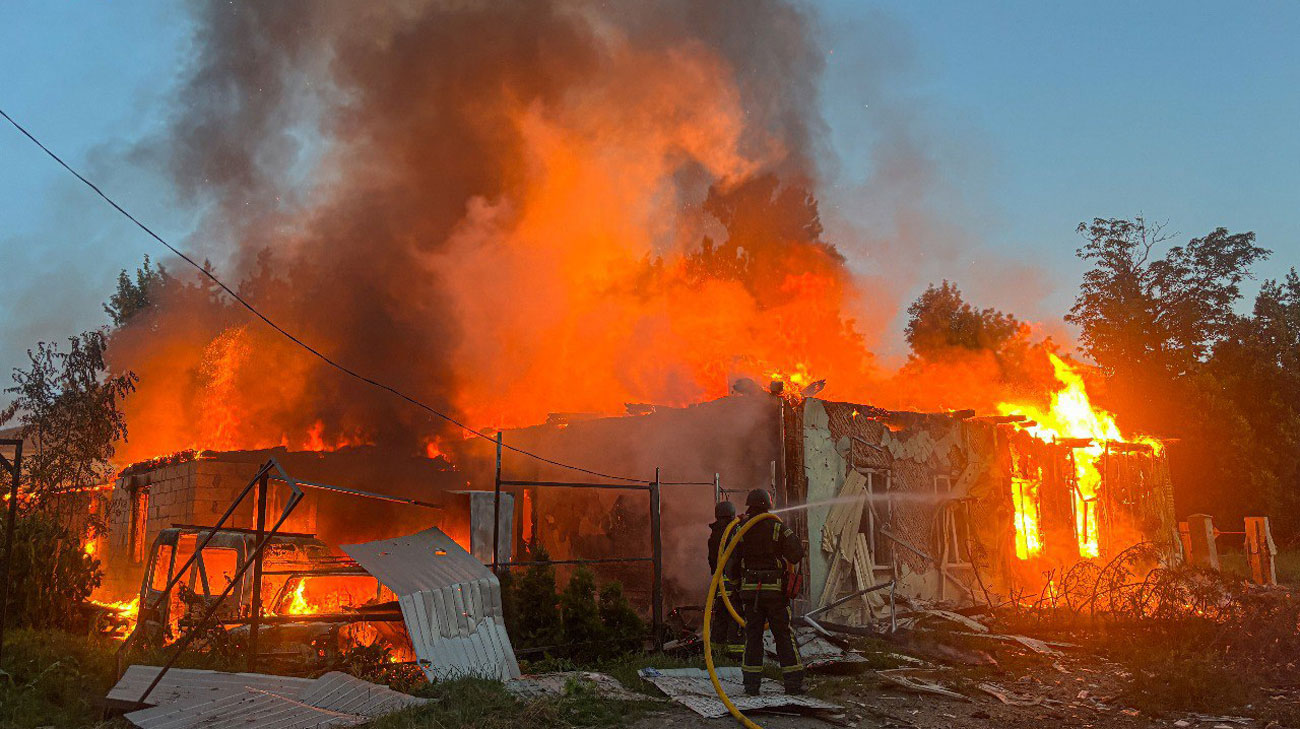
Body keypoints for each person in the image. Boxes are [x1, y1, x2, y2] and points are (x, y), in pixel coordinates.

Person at [730, 488, 804, 695]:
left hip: (750, 594)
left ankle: (751, 686)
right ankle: (793, 684)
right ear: (768, 505)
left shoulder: (741, 528)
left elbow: (731, 563)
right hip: (775, 594)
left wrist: (737, 585)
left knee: (752, 637)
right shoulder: (776, 526)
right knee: (782, 635)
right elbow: (796, 554)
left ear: (749, 505)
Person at [707, 499, 744, 659]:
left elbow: (712, 561)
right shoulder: (735, 531)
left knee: (720, 618)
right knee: (735, 618)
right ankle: (736, 655)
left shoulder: (714, 534)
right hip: (733, 584)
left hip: (719, 583)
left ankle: (715, 653)